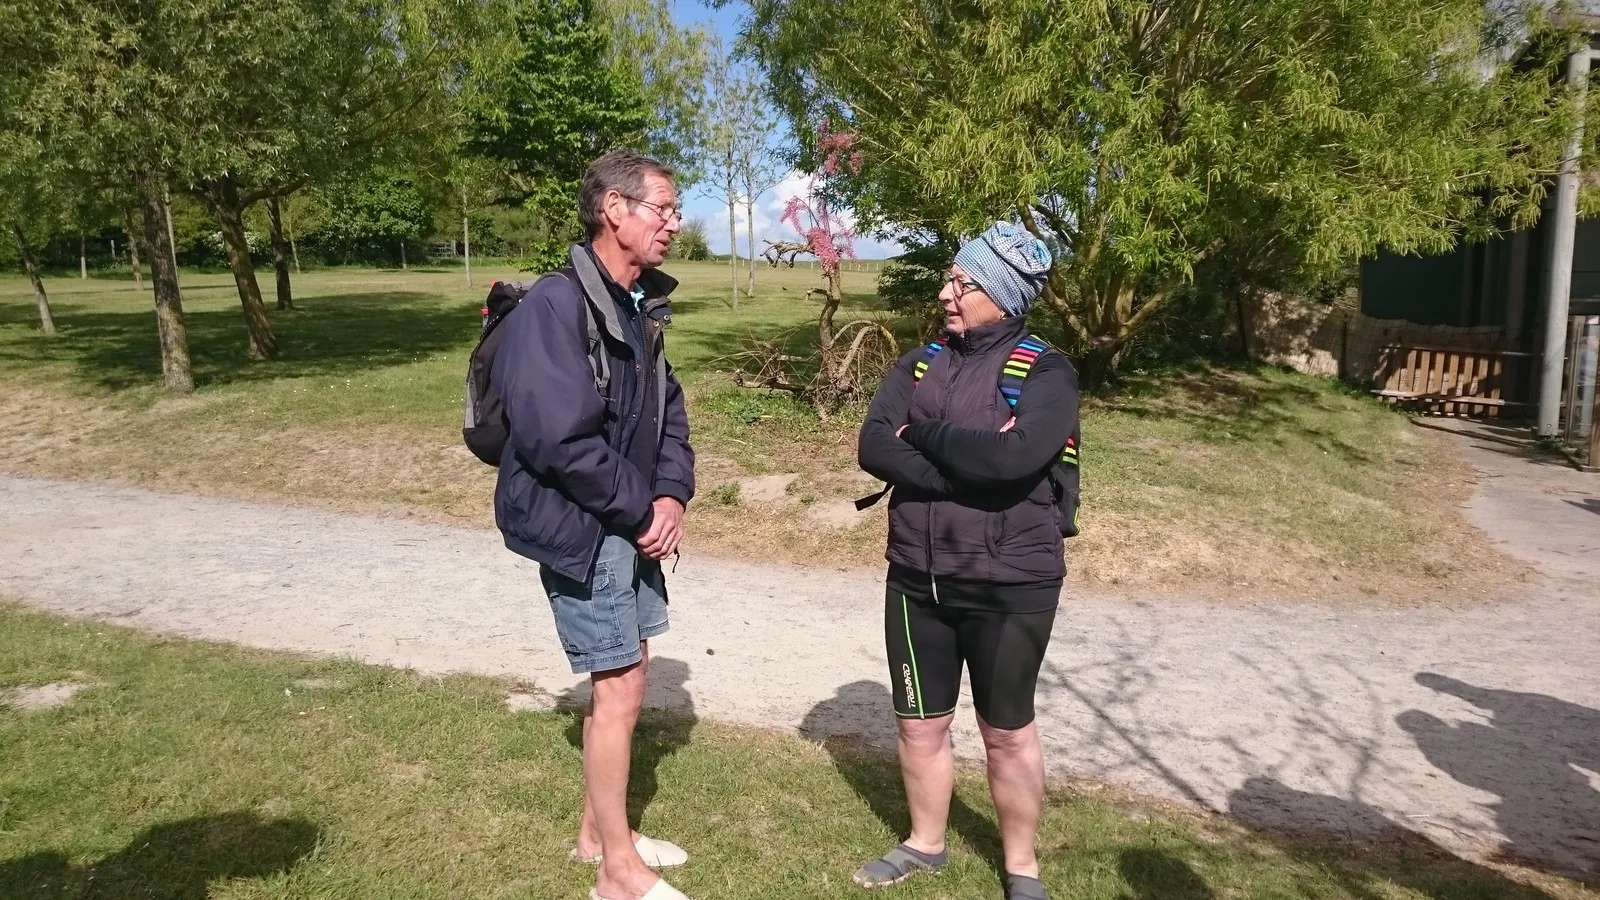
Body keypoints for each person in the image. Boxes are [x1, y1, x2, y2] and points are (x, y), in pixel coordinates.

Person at [491, 150, 696, 900]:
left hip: (627, 516)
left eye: (674, 212)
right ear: (614, 209)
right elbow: (556, 439)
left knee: (627, 670)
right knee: (621, 685)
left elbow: (669, 412)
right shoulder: (555, 305)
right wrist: (641, 510)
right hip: (586, 523)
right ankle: (616, 872)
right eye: (662, 209)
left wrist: (671, 495)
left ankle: (596, 838)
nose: (674, 224)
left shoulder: (637, 305)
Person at [855, 221, 1079, 900]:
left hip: (1010, 585)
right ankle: (925, 844)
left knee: (1006, 733)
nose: (945, 293)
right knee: (919, 724)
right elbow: (873, 444)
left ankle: (1022, 867)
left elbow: (1016, 458)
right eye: (949, 278)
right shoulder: (920, 363)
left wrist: (920, 432)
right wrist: (963, 468)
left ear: (1002, 296)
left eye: (962, 282)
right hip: (916, 576)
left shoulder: (1046, 371)